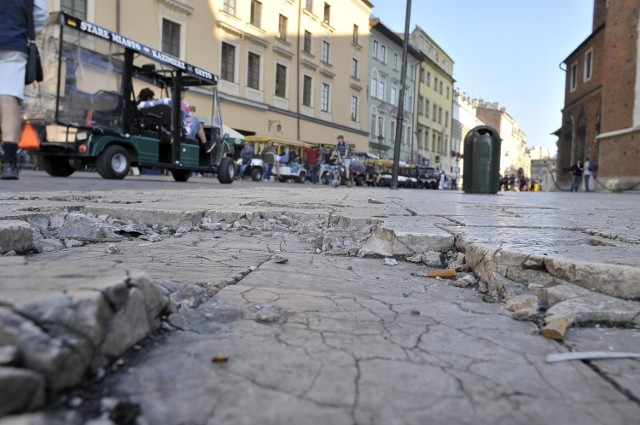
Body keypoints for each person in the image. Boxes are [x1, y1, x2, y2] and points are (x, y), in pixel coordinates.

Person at [0, 0, 49, 180]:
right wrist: (23, 29)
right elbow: (41, 15)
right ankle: (9, 163)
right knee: (9, 99)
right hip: (14, 42)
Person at [137, 87, 213, 153]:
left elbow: (142, 105)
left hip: (169, 132)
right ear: (181, 94)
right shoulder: (184, 105)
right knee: (196, 121)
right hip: (182, 135)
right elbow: (188, 122)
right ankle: (205, 145)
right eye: (184, 93)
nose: (185, 95)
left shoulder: (165, 101)